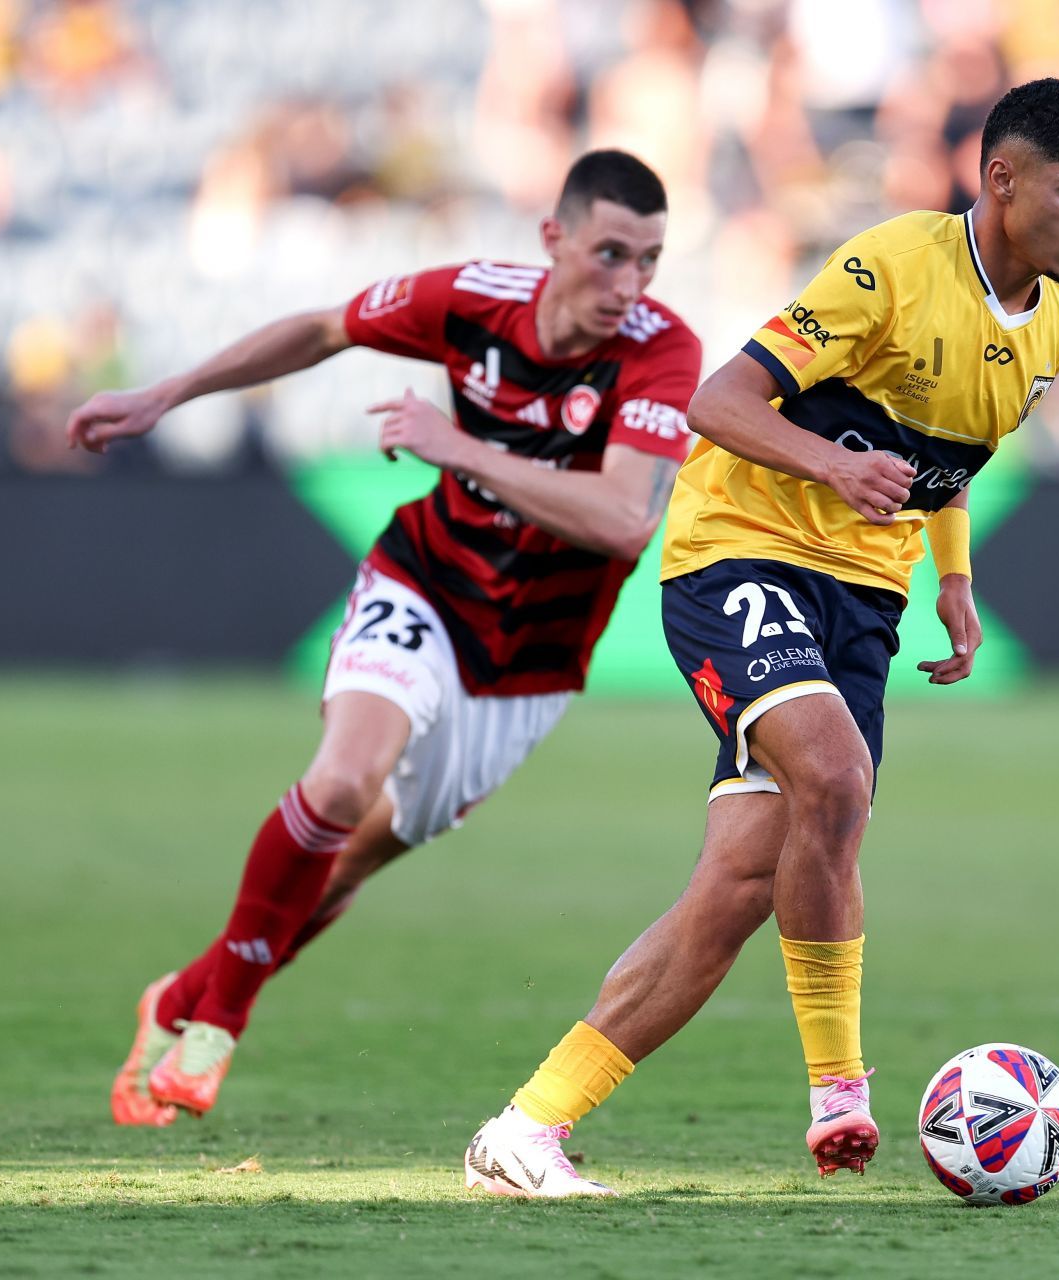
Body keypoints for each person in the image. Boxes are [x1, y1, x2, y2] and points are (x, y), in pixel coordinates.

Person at [461, 79, 1059, 1198]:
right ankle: (839, 1093)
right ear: (1001, 180)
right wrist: (830, 463)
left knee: (738, 883)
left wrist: (955, 578)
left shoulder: (1052, 327)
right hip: (741, 550)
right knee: (835, 775)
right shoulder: (891, 267)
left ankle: (527, 1128)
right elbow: (719, 402)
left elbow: (946, 463)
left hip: (864, 596)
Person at [65, 150, 702, 1126]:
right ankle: (223, 1016)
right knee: (339, 780)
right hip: (427, 582)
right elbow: (324, 328)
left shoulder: (661, 350)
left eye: (649, 260)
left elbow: (623, 520)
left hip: (529, 665)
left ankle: (181, 995)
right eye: (611, 253)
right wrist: (168, 393)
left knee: (346, 859)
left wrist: (460, 446)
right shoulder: (472, 302)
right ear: (554, 240)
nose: (629, 284)